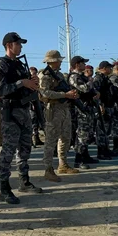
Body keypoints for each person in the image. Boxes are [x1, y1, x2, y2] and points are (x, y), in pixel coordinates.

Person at [0, 32, 43, 204]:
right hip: (11, 112)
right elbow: (0, 90)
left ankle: (24, 181)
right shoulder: (1, 65)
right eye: (18, 43)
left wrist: (32, 83)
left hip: (24, 110)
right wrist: (22, 83)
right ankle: (4, 188)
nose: (21, 46)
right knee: (8, 150)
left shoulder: (20, 65)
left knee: (25, 148)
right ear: (9, 45)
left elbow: (26, 88)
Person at [38, 50, 80, 181]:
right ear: (53, 61)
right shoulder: (44, 76)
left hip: (64, 108)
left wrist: (71, 94)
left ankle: (63, 164)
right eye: (59, 60)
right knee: (51, 140)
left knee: (65, 137)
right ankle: (48, 169)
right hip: (53, 109)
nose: (61, 61)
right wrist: (64, 95)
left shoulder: (59, 75)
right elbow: (45, 93)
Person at [68, 56, 101, 168]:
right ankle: (79, 159)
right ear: (77, 65)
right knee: (82, 134)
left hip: (88, 107)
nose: (84, 65)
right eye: (82, 63)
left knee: (88, 133)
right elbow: (84, 89)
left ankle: (85, 155)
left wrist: (96, 93)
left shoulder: (82, 77)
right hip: (80, 108)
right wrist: (90, 82)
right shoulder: (74, 77)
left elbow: (91, 90)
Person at [92, 61, 118, 158]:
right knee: (101, 130)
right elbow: (95, 93)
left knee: (107, 130)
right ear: (103, 68)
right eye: (109, 67)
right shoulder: (98, 79)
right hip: (102, 107)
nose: (110, 69)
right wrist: (99, 105)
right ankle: (101, 151)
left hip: (109, 106)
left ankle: (106, 149)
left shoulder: (105, 79)